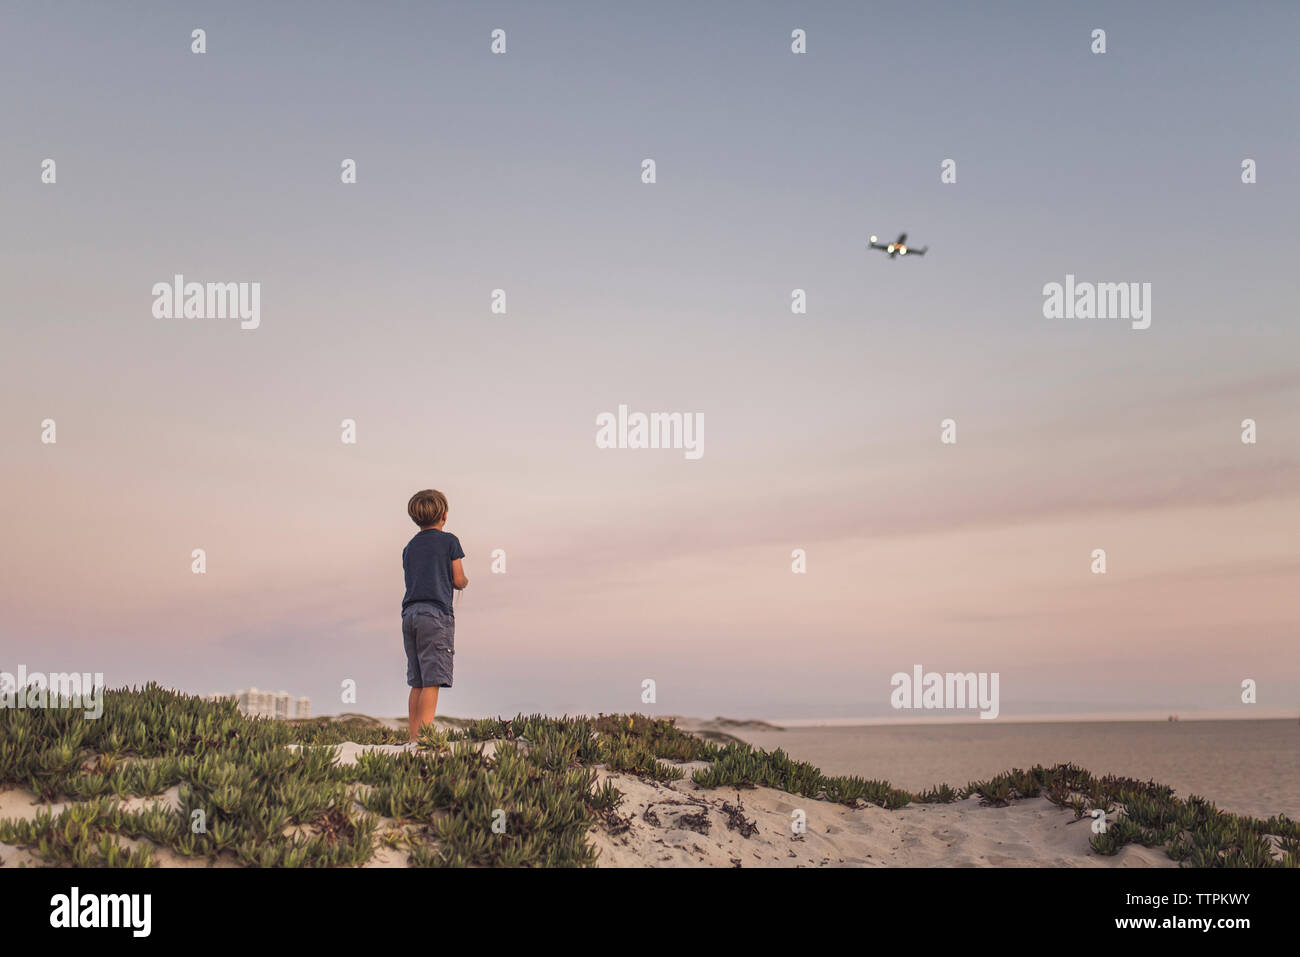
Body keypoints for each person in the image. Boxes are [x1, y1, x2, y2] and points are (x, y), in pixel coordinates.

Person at [400, 489, 468, 743]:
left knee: (417, 680)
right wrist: (463, 583)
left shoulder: (409, 547)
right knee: (432, 679)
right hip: (435, 614)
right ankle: (425, 736)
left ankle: (413, 736)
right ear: (444, 515)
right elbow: (458, 578)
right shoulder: (449, 541)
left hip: (409, 614)